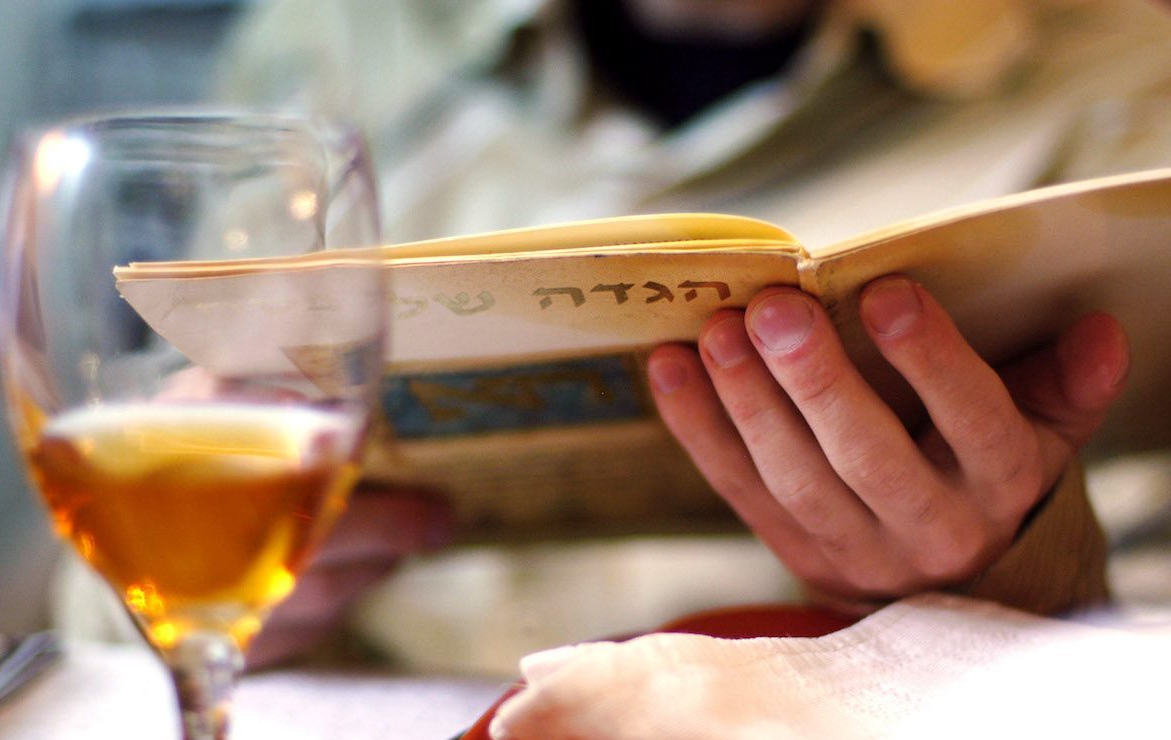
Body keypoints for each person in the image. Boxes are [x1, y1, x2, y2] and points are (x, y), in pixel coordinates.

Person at [58, 0, 1171, 669]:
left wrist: (1007, 579)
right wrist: (209, 592)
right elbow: (107, 609)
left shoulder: (1131, 75)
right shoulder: (339, 39)